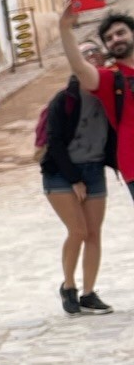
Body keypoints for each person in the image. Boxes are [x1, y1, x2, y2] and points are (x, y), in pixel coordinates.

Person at [39, 60, 113, 315]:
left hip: (94, 170)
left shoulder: (109, 97)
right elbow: (54, 142)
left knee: (94, 233)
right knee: (78, 230)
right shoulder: (64, 100)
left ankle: (89, 293)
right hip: (60, 172)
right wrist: (74, 179)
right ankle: (68, 286)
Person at [60, 3, 134, 208]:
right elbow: (80, 67)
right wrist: (65, 29)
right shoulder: (110, 78)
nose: (115, 39)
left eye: (121, 33)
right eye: (109, 38)